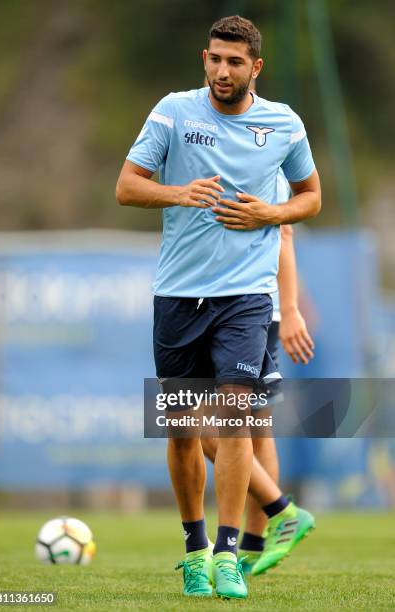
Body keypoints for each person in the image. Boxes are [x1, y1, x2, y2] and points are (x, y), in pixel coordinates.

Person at [116, 15, 321, 600]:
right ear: (204, 59)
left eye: (234, 62)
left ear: (255, 67)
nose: (222, 71)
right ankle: (195, 548)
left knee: (235, 424)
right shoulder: (173, 112)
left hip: (246, 296)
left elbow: (311, 197)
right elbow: (127, 186)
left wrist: (270, 214)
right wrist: (177, 192)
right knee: (184, 431)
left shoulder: (283, 124)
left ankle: (233, 552)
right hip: (178, 294)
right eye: (214, 59)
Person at [202, 170, 316, 577]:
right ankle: (252, 545)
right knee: (255, 429)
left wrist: (288, 310)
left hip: (252, 311)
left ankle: (281, 511)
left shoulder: (262, 158)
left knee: (212, 433)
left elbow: (284, 234)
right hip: (229, 307)